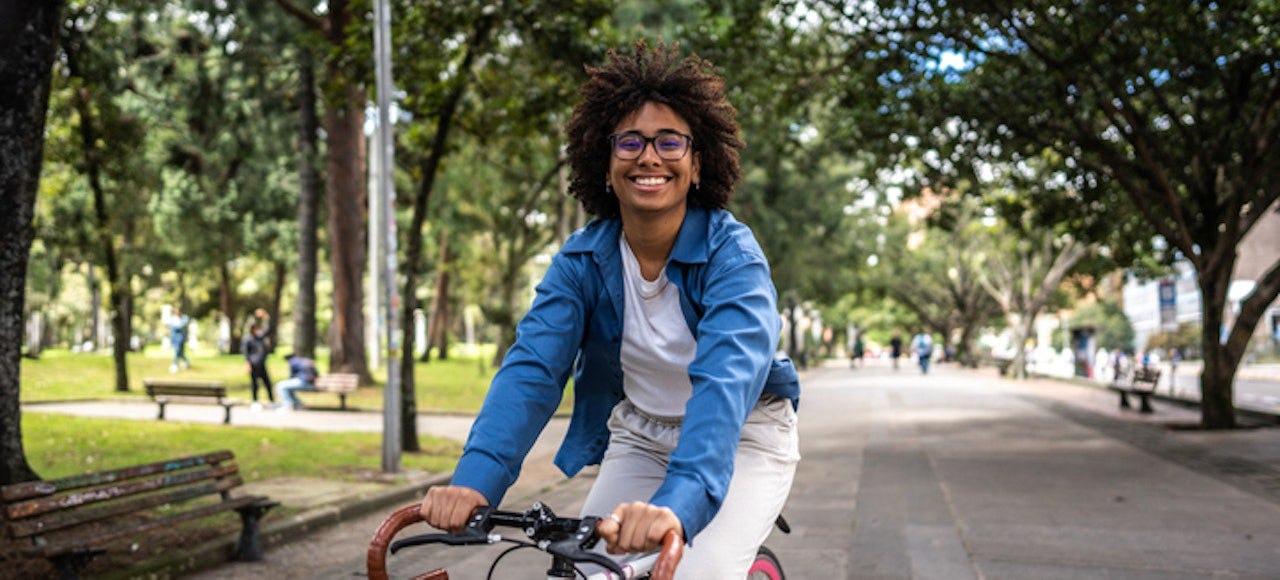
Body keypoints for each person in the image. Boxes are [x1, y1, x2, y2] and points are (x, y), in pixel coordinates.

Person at [417, 41, 801, 578]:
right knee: (587, 570)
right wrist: (473, 481)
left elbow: (725, 383)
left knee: (693, 571)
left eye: (670, 142)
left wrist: (680, 501)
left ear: (697, 165)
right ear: (604, 163)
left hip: (742, 437)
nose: (649, 156)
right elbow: (531, 371)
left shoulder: (732, 259)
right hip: (641, 435)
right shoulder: (582, 262)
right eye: (630, 142)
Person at [242, 309, 275, 411]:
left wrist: (265, 315)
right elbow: (245, 352)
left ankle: (271, 401)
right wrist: (247, 364)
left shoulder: (260, 337)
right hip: (253, 365)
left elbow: (269, 329)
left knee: (267, 383)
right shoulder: (247, 339)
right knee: (254, 384)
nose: (258, 330)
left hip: (261, 364)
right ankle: (255, 401)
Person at [168, 307, 191, 373]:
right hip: (174, 337)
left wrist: (175, 326)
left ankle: (174, 364)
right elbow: (172, 326)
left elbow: (180, 326)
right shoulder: (174, 318)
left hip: (181, 337)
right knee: (179, 352)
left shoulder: (184, 318)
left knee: (178, 351)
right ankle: (186, 361)